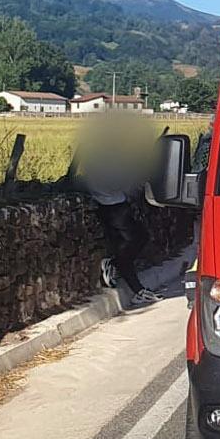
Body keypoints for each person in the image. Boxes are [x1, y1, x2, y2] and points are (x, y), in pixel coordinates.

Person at [76, 114, 159, 307]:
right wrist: (130, 182)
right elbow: (114, 181)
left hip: (113, 202)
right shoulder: (104, 157)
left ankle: (133, 283)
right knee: (137, 239)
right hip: (113, 204)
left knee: (132, 241)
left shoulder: (99, 155)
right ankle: (117, 267)